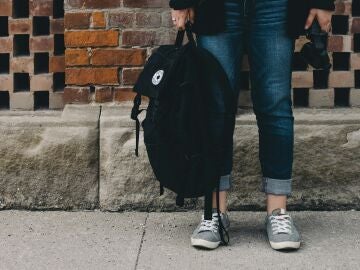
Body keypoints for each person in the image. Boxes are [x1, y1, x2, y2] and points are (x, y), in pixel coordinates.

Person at [169, 0, 334, 250]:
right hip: (218, 5)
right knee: (216, 107)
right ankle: (214, 212)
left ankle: (278, 212)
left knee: (275, 104)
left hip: (276, 6)